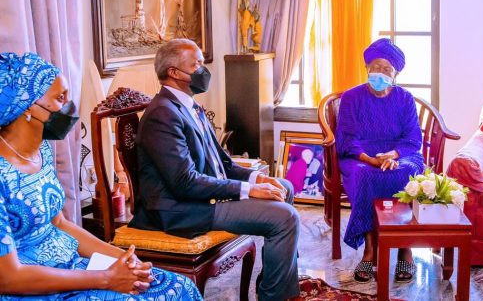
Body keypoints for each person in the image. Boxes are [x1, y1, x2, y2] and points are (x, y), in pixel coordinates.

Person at [0, 52, 201, 300]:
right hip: (32, 286)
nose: (68, 105)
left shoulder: (42, 150)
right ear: (28, 105)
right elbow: (8, 277)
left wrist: (122, 257)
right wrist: (107, 278)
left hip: (71, 265)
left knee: (176, 286)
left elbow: (61, 224)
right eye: (60, 98)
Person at [130, 39, 300, 301]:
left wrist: (258, 178)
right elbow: (184, 182)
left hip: (201, 195)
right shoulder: (162, 115)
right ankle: (273, 296)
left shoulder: (191, 106)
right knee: (284, 218)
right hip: (180, 207)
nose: (202, 69)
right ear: (174, 73)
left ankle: (278, 281)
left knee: (283, 186)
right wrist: (250, 190)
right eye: (196, 64)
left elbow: (224, 164)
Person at [335, 38, 424, 283]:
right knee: (364, 175)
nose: (380, 73)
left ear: (395, 75)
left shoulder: (404, 98)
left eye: (387, 70)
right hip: (361, 156)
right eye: (376, 67)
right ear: (367, 68)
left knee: (408, 173)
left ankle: (406, 247)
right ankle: (370, 249)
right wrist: (369, 159)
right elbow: (346, 138)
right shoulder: (352, 98)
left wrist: (393, 155)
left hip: (399, 154)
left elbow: (413, 138)